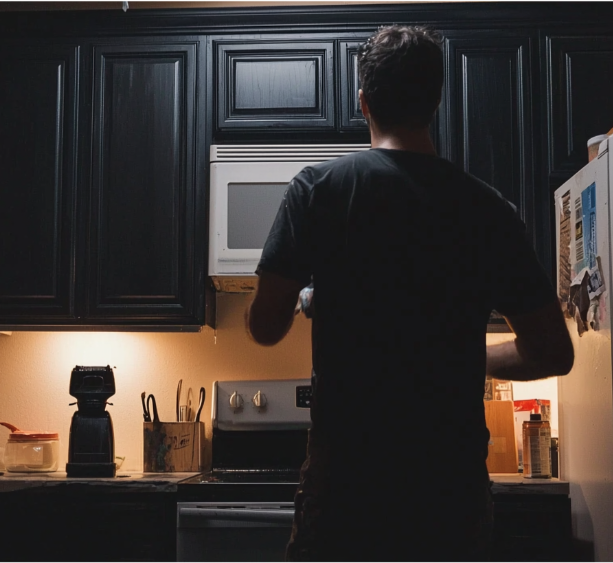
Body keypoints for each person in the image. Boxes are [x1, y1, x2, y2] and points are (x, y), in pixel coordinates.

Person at [246, 25, 574, 563]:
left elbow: (264, 326)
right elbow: (551, 352)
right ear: (436, 101)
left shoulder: (318, 191)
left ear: (364, 102)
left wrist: (311, 295)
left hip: (345, 492)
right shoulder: (488, 211)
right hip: (450, 498)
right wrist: (461, 354)